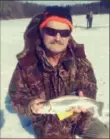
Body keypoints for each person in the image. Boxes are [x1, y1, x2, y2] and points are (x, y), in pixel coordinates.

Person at [8, 6, 109, 139]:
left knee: (103, 135)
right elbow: (16, 96)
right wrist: (30, 105)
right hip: (47, 121)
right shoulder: (27, 63)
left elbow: (90, 85)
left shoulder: (79, 60)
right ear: (41, 30)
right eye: (51, 31)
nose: (58, 37)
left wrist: (85, 97)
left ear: (69, 35)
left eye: (64, 33)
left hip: (77, 117)